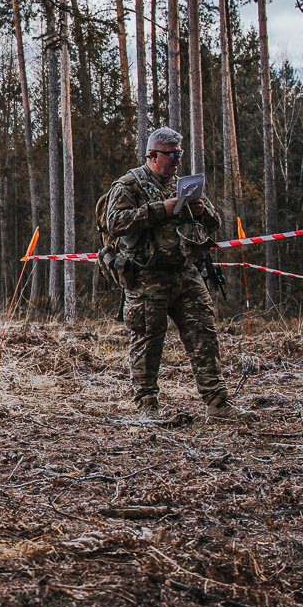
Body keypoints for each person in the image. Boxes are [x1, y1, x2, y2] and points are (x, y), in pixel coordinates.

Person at [101, 127, 240, 421]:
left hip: (185, 272)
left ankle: (217, 403)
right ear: (152, 155)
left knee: (204, 334)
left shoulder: (182, 185)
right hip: (146, 276)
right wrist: (160, 210)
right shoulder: (129, 185)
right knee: (148, 339)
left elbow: (213, 222)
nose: (177, 160)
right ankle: (147, 406)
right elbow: (115, 223)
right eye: (171, 154)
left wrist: (201, 211)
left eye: (180, 154)